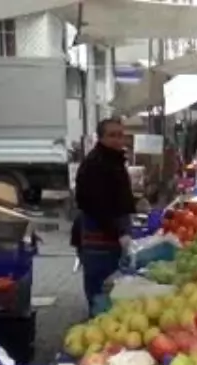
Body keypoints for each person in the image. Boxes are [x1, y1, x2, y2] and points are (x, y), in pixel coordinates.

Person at [72, 117, 134, 312]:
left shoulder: (114, 160)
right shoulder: (95, 164)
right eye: (111, 135)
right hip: (97, 240)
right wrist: (120, 232)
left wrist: (132, 205)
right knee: (100, 293)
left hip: (110, 237)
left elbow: (117, 196)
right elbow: (96, 205)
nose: (117, 140)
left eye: (120, 135)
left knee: (110, 292)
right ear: (100, 138)